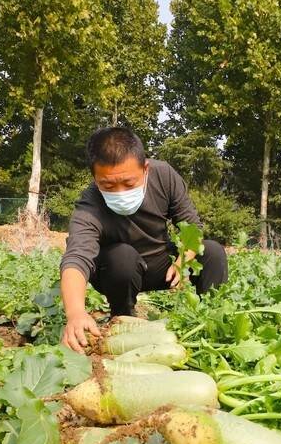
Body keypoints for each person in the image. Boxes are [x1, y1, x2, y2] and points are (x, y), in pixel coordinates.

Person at [60, 125, 228, 353]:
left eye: (129, 183)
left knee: (213, 251)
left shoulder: (164, 176)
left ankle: (212, 319)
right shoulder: (90, 206)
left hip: (162, 266)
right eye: (108, 185)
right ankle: (122, 319)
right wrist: (76, 313)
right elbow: (76, 258)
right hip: (118, 272)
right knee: (123, 256)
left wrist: (182, 260)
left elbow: (192, 226)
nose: (120, 192)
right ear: (95, 177)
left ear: (145, 168)